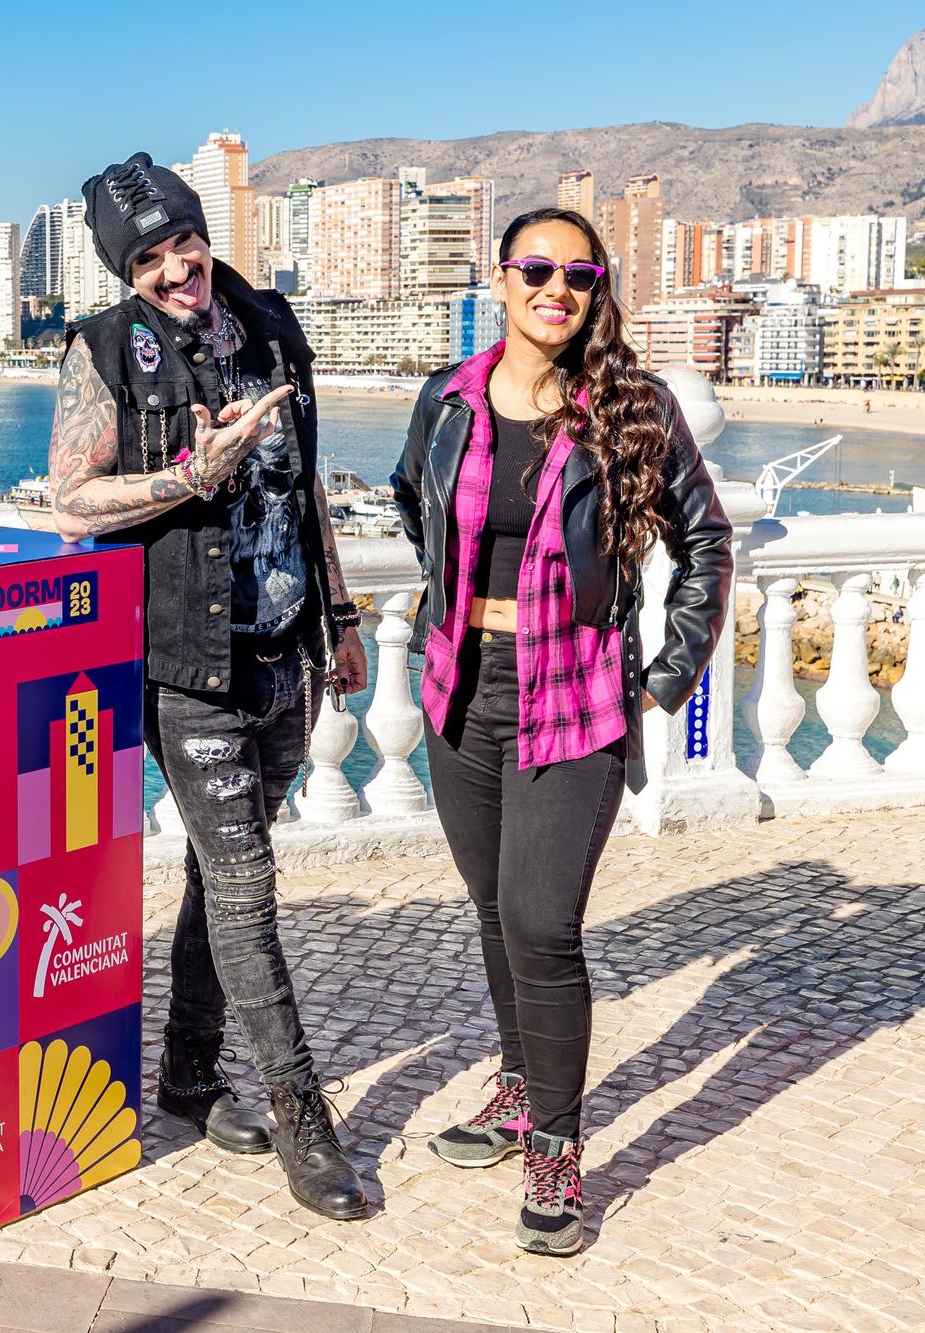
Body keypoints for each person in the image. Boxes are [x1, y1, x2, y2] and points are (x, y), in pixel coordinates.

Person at [390, 207, 732, 1256]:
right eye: (536, 268)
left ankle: (553, 1144)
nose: (556, 288)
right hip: (459, 688)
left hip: (574, 695)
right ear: (499, 278)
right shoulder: (446, 401)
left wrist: (661, 679)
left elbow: (706, 542)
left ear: (593, 290)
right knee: (492, 911)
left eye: (577, 274)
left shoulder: (631, 407)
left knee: (541, 924)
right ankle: (511, 1083)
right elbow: (414, 503)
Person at [49, 153, 370, 1221]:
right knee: (247, 889)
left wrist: (340, 615)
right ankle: (299, 1113)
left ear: (200, 230)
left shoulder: (271, 327)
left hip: (284, 650)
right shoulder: (102, 352)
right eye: (146, 260)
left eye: (179, 242)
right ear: (124, 272)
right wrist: (195, 473)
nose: (174, 268)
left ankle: (187, 1080)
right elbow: (75, 500)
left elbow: (305, 484)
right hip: (187, 660)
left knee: (216, 882)